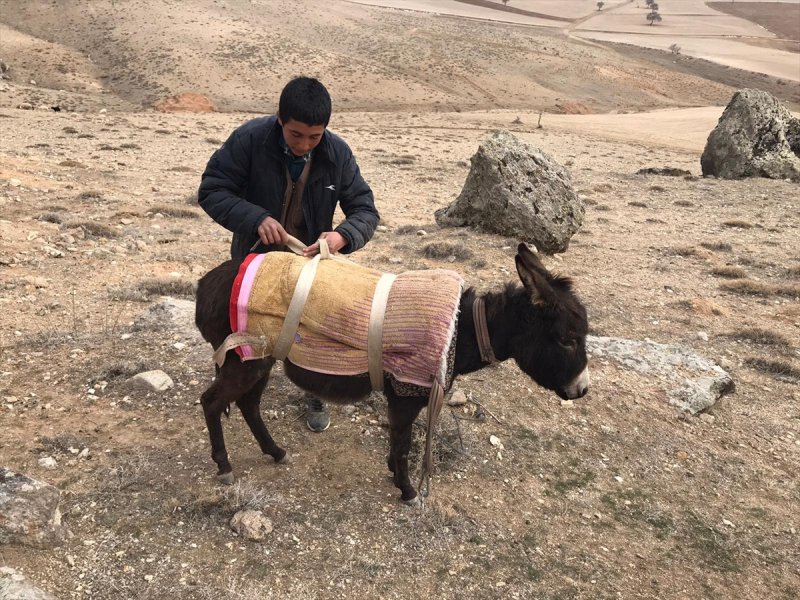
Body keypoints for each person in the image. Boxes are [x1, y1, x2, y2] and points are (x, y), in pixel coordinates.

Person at [198, 76, 380, 432]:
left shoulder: (337, 153)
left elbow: (365, 210)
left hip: (311, 265)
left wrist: (343, 236)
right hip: (256, 262)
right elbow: (212, 189)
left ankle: (316, 393)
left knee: (317, 332)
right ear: (280, 118)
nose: (304, 145)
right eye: (296, 135)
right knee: (252, 328)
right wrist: (255, 218)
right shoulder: (250, 140)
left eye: (314, 137)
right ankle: (237, 383)